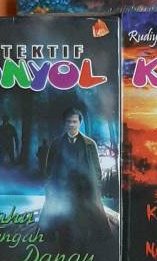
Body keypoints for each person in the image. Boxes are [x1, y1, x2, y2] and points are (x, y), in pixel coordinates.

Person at [39, 107, 110, 251]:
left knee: (83, 223)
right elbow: (49, 169)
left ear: (80, 123)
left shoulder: (89, 144)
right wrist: (49, 187)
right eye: (68, 122)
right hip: (63, 191)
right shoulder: (56, 144)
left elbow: (97, 170)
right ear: (64, 123)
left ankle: (83, 252)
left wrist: (95, 187)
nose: (71, 125)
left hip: (83, 191)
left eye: (74, 121)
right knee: (63, 222)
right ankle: (64, 252)